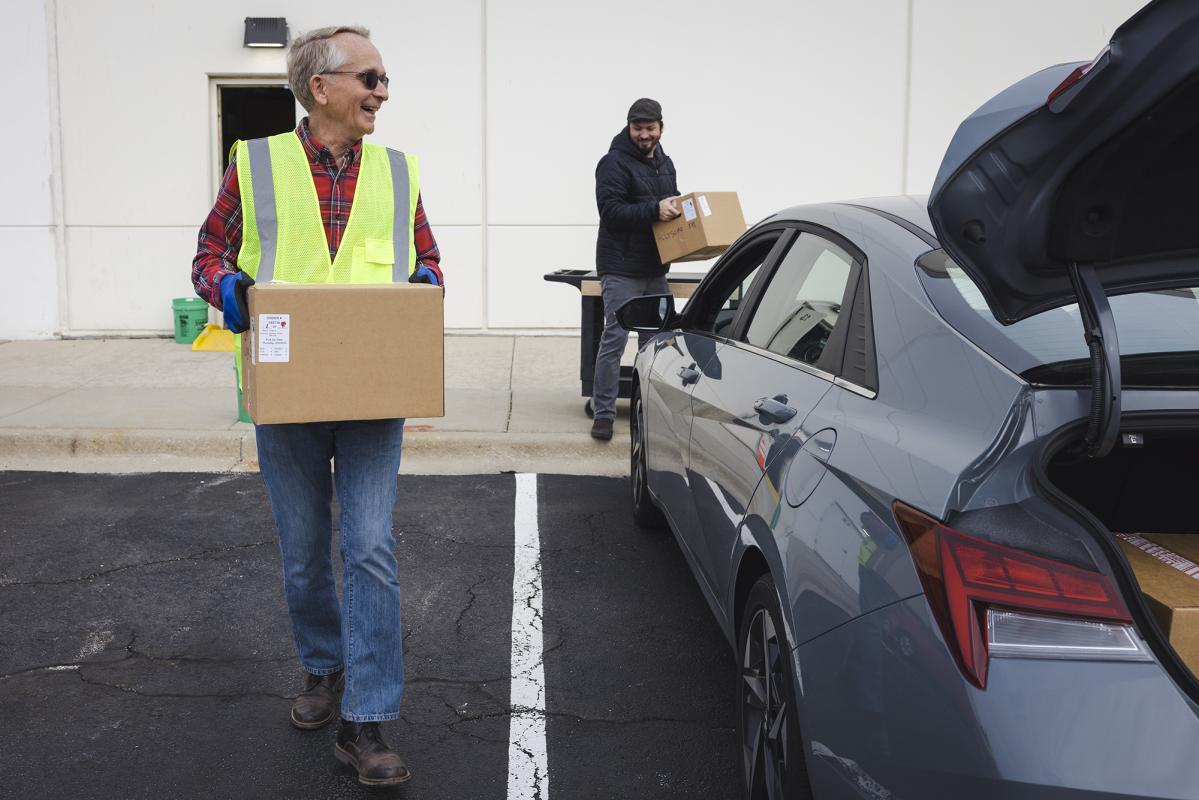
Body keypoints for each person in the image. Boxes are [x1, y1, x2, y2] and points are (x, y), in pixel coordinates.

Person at [191, 25, 442, 787]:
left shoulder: (398, 172)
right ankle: (322, 667)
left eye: (384, 78)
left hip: (372, 397)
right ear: (320, 86)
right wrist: (229, 291)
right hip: (291, 394)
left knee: (369, 547)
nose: (381, 92)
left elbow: (426, 259)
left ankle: (366, 721)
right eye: (369, 78)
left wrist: (427, 291)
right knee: (304, 556)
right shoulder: (256, 164)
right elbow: (209, 255)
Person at [590, 98, 680, 441]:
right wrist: (655, 209)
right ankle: (604, 414)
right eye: (638, 128)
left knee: (655, 343)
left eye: (650, 128)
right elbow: (611, 212)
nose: (644, 134)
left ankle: (649, 414)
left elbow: (668, 202)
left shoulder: (664, 162)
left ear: (660, 127)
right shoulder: (612, 163)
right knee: (614, 339)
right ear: (629, 127)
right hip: (621, 267)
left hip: (655, 266)